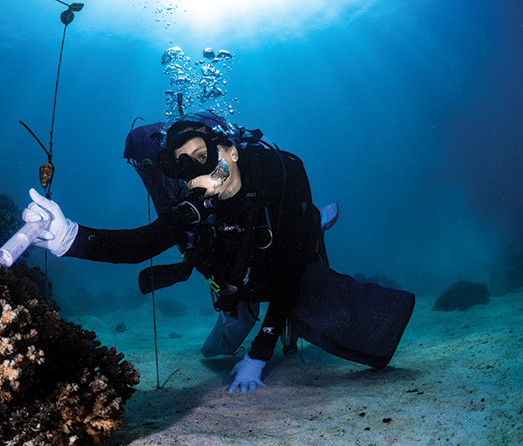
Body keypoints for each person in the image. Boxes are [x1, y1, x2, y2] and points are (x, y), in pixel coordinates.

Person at [21, 110, 414, 394]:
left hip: (286, 254)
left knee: (306, 288)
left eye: (201, 156)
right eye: (183, 168)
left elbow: (289, 275)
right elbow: (143, 243)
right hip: (237, 277)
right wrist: (69, 237)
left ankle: (314, 221)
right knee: (216, 353)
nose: (197, 173)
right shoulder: (195, 203)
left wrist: (260, 355)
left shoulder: (284, 173)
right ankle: (262, 284)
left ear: (231, 150)